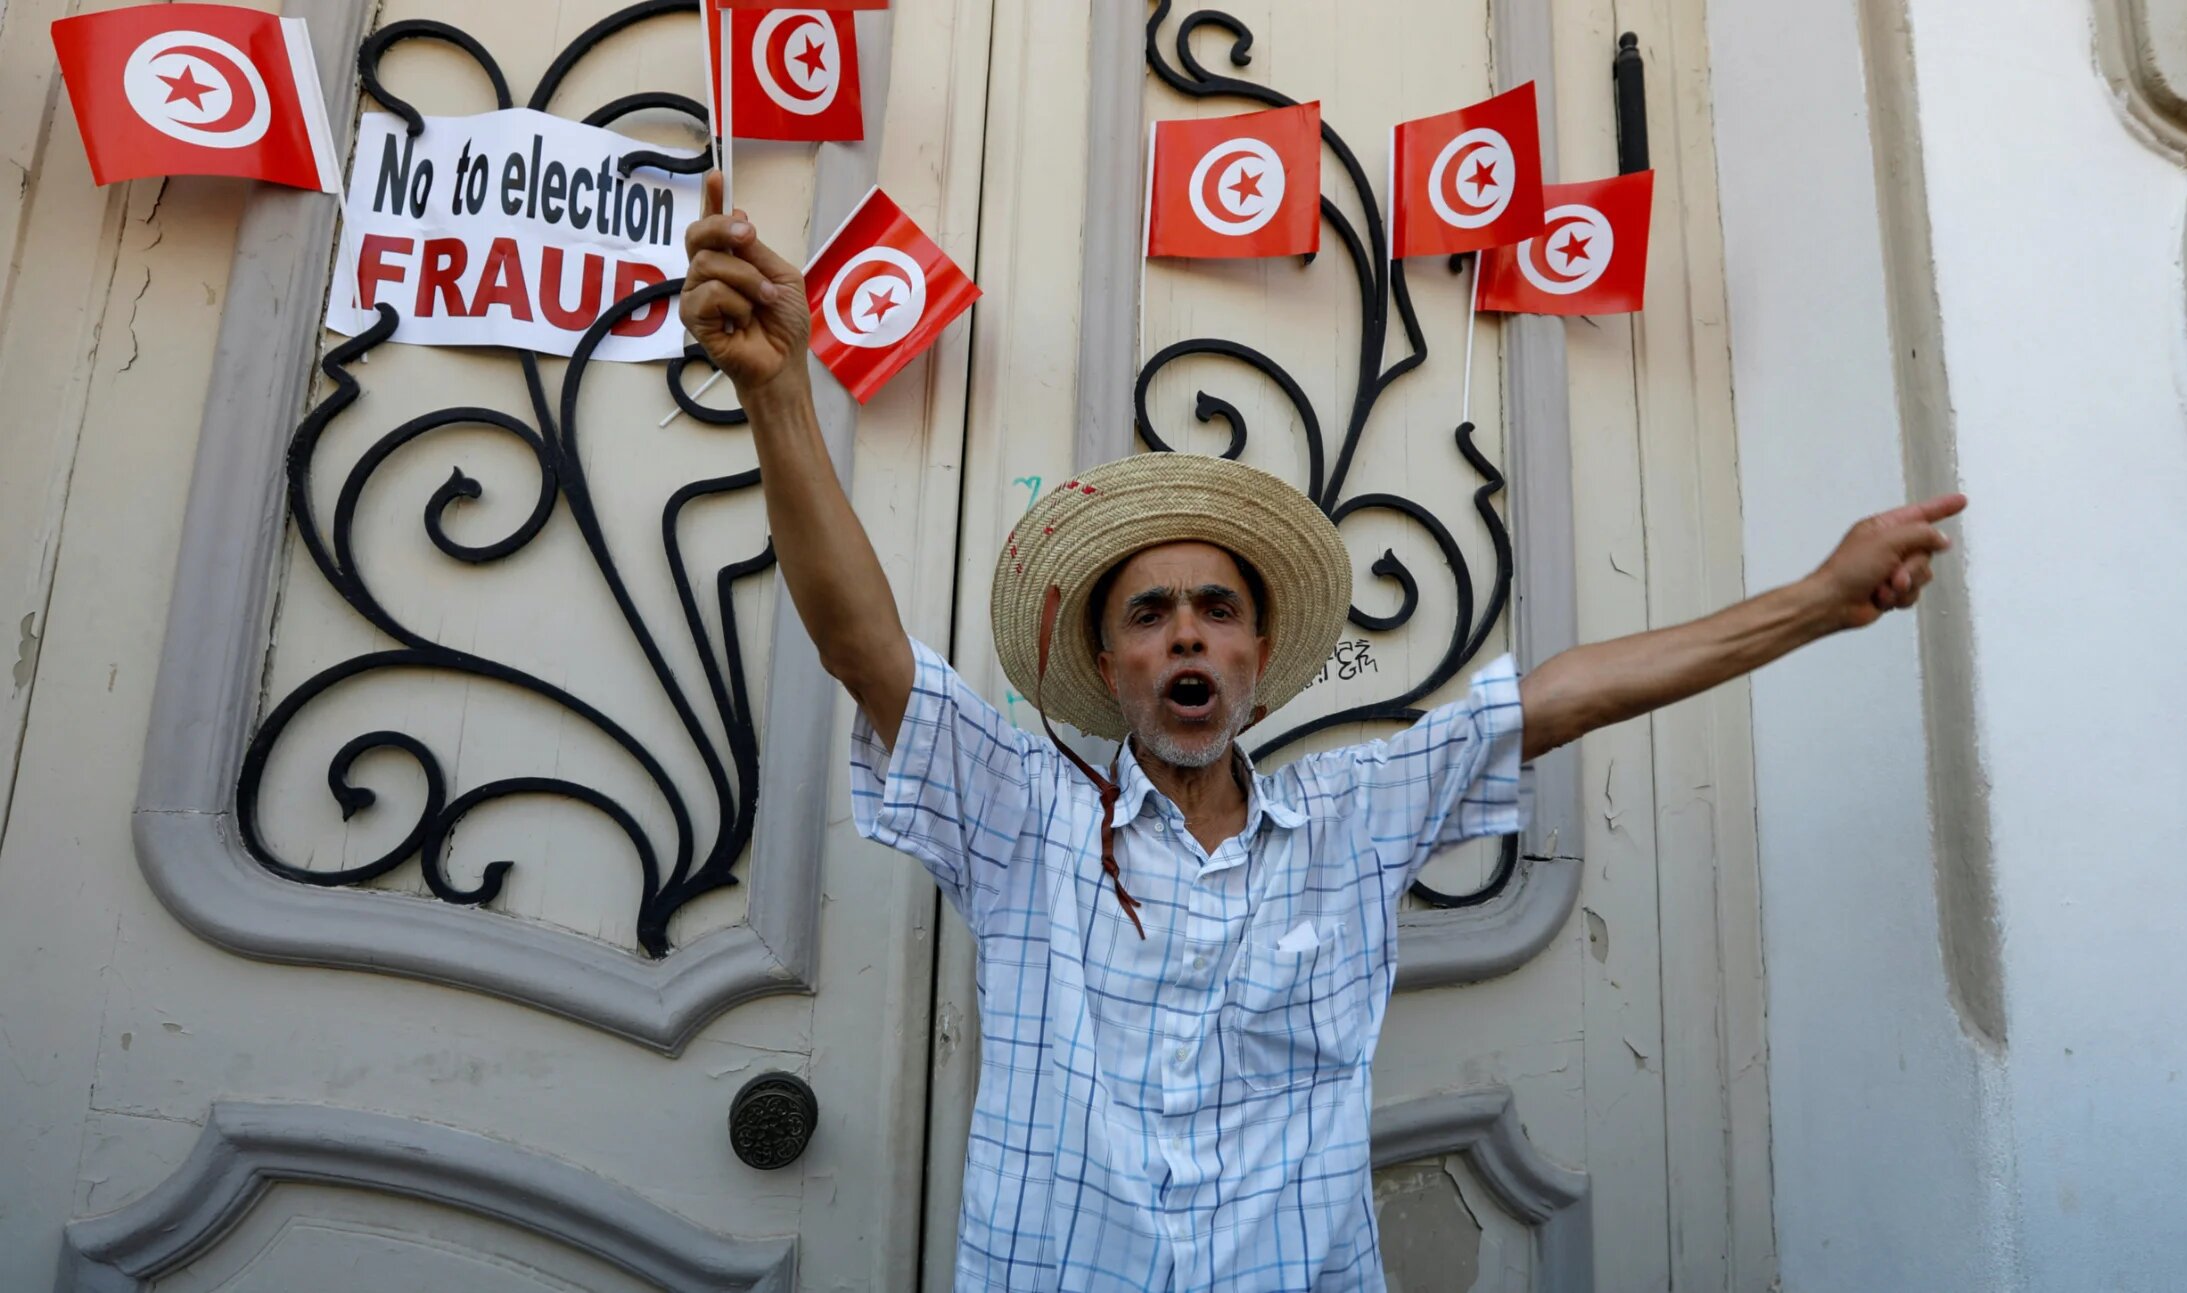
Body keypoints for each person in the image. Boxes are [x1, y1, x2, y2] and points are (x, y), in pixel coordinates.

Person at [680, 174, 1965, 1292]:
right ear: (1107, 661)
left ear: (1254, 656)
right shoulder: (1022, 813)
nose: (1185, 634)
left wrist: (1809, 606)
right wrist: (781, 397)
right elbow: (865, 651)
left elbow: (1560, 694)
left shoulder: (1352, 816)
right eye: (1149, 615)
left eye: (1216, 609)